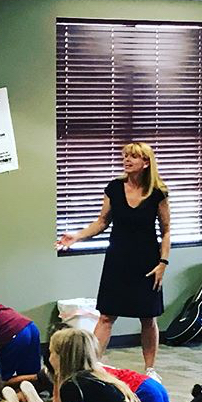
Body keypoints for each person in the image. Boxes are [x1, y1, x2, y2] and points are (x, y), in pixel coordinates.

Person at [56, 142, 170, 379]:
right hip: (118, 259)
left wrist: (163, 263)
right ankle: (91, 367)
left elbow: (166, 230)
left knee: (148, 318)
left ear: (146, 162)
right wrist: (76, 236)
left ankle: (150, 369)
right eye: (125, 156)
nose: (126, 160)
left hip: (148, 262)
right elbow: (102, 222)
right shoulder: (114, 188)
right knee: (107, 315)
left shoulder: (158, 192)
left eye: (133, 157)